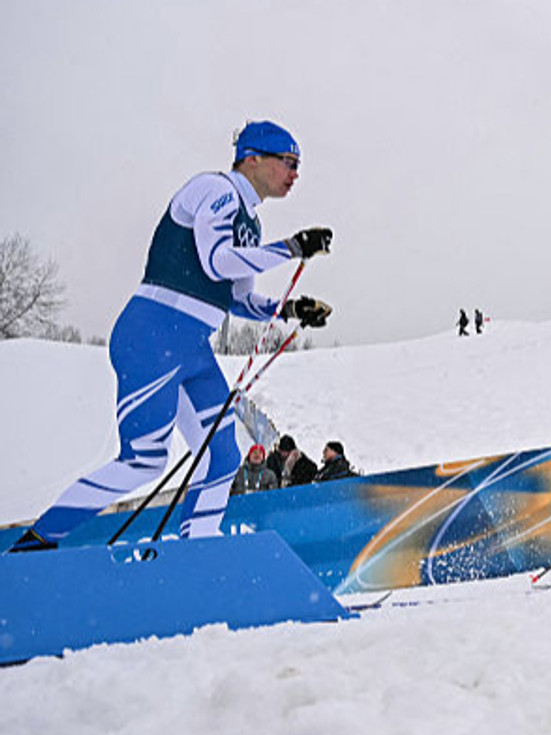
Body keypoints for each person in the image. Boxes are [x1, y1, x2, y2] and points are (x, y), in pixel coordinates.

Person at [7, 120, 333, 553]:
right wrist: (291, 248)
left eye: (298, 165)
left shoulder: (250, 226)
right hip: (153, 334)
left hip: (192, 347)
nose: (295, 173)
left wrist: (290, 310)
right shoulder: (215, 189)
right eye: (288, 161)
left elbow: (237, 299)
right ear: (253, 158)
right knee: (144, 460)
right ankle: (35, 543)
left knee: (223, 457)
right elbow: (217, 262)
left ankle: (197, 555)